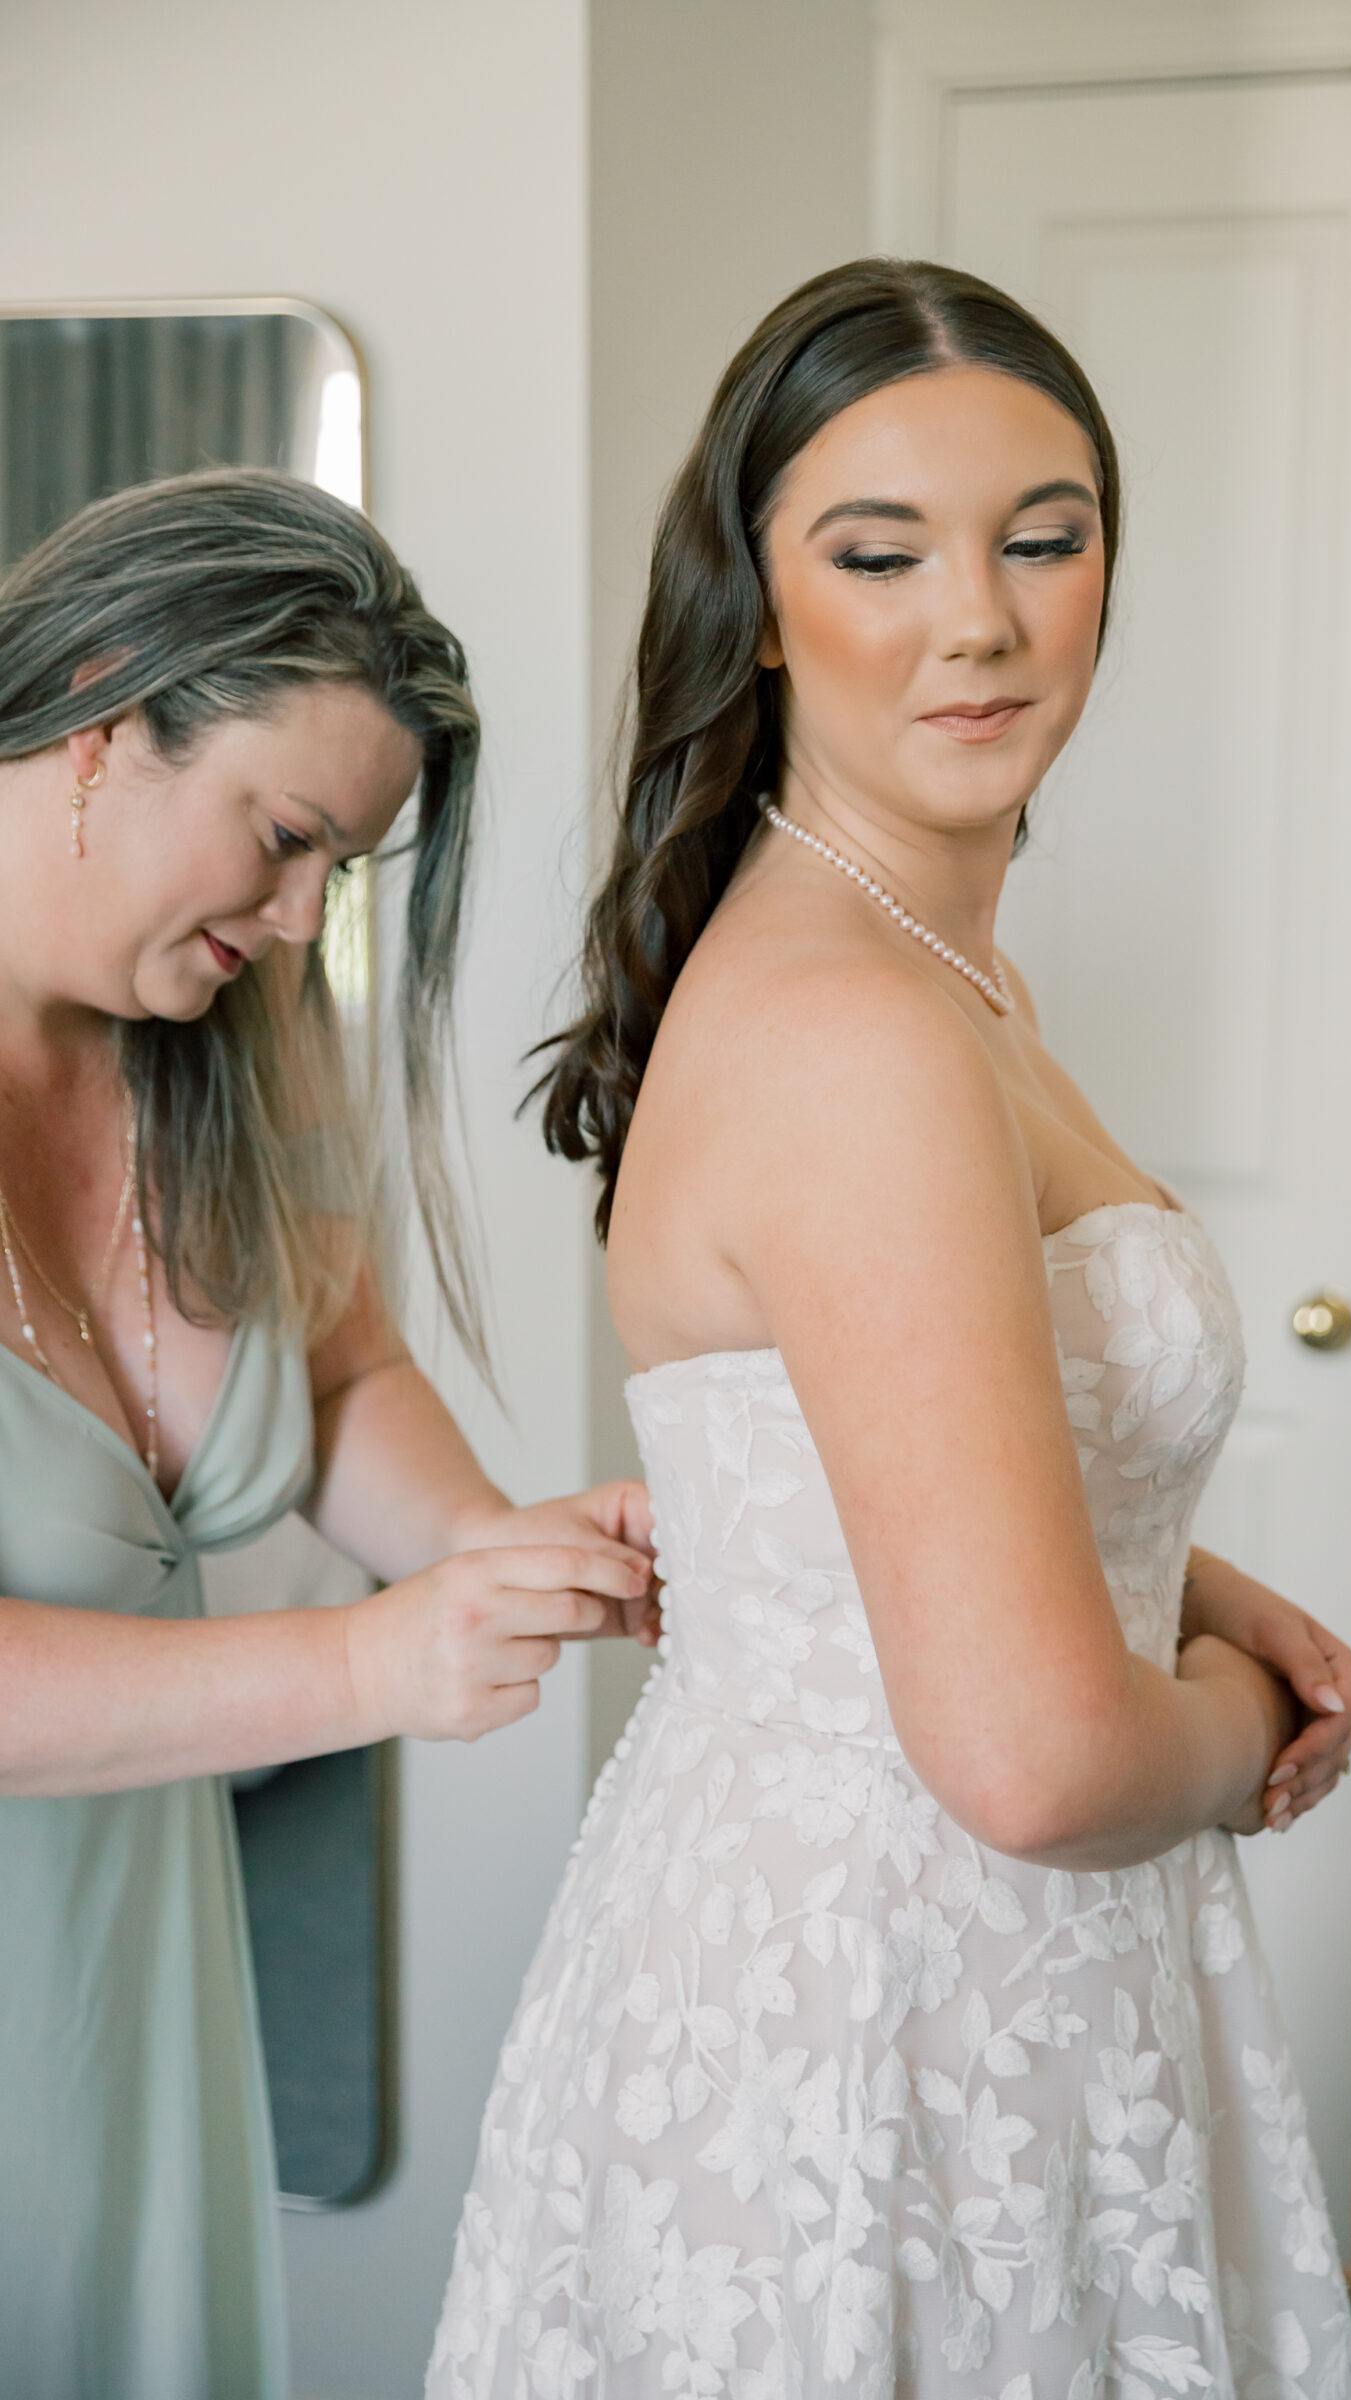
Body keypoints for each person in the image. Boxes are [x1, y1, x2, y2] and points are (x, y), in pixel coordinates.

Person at [430, 262, 1351, 2398]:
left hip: (939, 1956)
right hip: (895, 1996)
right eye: (880, 554)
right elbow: (1037, 1763)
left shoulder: (929, 976)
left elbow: (882, 1448)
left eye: (1044, 539)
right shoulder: (858, 1030)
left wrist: (1186, 1576)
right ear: (753, 606)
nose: (981, 617)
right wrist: (1241, 1719)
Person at [0, 470, 658, 2400]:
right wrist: (374, 1662)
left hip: (127, 1961)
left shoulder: (219, 1037)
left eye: (336, 876)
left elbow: (344, 1361)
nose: (296, 929)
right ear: (107, 714)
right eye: (283, 840)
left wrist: (489, 1548)